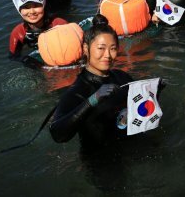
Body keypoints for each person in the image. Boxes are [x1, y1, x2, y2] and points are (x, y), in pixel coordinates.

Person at [49, 14, 133, 149]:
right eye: (101, 48)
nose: (107, 55)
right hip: (100, 162)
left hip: (132, 149)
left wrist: (153, 91)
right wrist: (92, 100)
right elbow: (57, 134)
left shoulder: (122, 77)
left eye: (112, 49)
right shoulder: (77, 91)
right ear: (86, 49)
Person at [8, 0, 67, 65]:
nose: (32, 12)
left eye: (36, 6)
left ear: (44, 7)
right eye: (26, 7)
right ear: (20, 11)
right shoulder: (19, 32)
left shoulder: (59, 24)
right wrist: (24, 60)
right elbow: (13, 57)